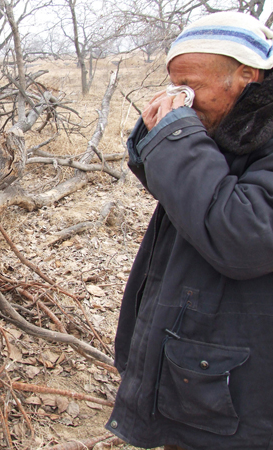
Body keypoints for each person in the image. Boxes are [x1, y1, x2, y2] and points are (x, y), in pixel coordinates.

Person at [106, 12, 273, 450]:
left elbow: (243, 235)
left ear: (247, 76)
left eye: (193, 85)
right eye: (174, 84)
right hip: (199, 363)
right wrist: (155, 140)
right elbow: (195, 200)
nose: (182, 97)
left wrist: (178, 137)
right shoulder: (231, 119)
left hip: (242, 387)